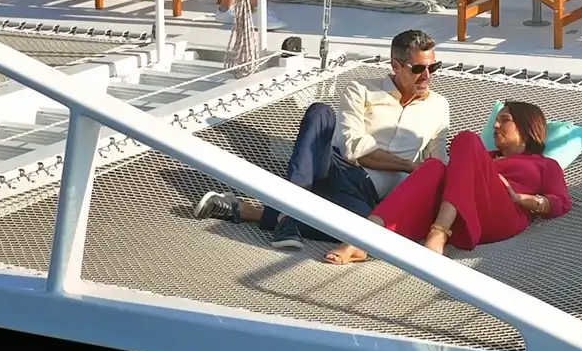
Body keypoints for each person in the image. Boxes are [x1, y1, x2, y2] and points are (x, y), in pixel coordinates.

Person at [192, 29, 451, 250]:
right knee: (320, 113)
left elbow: (438, 161)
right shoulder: (360, 89)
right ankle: (291, 206)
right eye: (419, 69)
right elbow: (355, 150)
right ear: (396, 65)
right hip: (336, 168)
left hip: (368, 195)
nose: (427, 76)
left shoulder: (439, 106)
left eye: (433, 67)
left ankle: (263, 213)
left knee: (368, 233)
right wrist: (409, 166)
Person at [323, 100, 571, 264]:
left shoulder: (544, 165)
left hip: (503, 215)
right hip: (463, 215)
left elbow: (561, 202)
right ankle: (363, 238)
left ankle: (438, 232)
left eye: (504, 119)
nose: (495, 125)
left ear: (527, 128)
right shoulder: (484, 158)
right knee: (432, 166)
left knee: (465, 138)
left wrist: (524, 199)